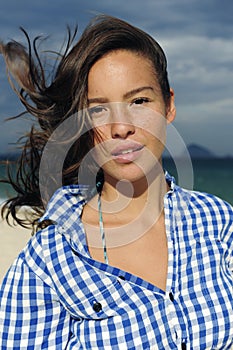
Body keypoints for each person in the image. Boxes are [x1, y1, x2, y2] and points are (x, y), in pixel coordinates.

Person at [0, 15, 232, 350]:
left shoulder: (218, 222)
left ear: (169, 106)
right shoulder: (49, 262)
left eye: (139, 101)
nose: (120, 127)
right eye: (98, 110)